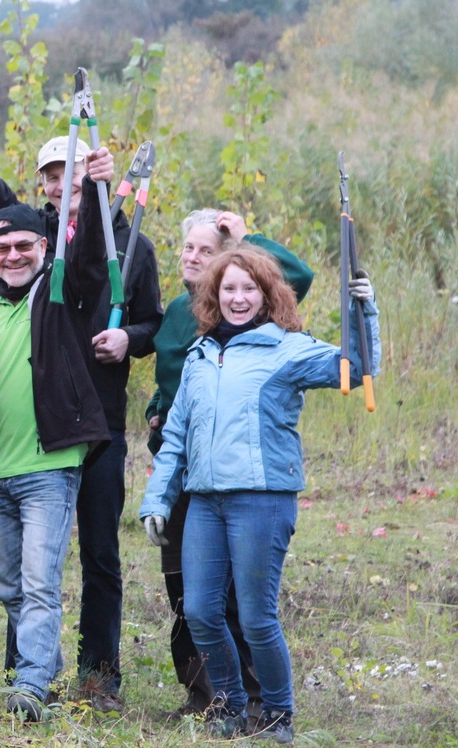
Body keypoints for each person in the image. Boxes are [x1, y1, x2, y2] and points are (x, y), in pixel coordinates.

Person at [0, 38, 162, 705]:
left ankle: (96, 676)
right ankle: (25, 676)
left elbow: (146, 315)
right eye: (52, 174)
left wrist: (130, 337)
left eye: (75, 170)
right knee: (25, 570)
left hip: (95, 419)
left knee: (95, 555)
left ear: (90, 172)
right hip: (25, 428)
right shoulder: (31, 238)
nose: (61, 182)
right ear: (40, 187)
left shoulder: (118, 246)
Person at [140, 246, 379, 744]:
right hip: (205, 501)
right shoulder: (201, 355)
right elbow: (177, 435)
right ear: (214, 294)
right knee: (201, 611)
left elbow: (353, 370)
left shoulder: (288, 349)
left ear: (268, 295)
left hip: (262, 499)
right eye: (229, 288)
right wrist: (157, 499)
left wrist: (364, 313)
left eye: (249, 288)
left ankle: (276, 716)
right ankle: (227, 708)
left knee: (255, 616)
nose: (239, 298)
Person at [145, 209, 315, 719]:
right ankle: (209, 696)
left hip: (251, 478)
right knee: (190, 596)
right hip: (188, 473)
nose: (194, 257)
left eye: (207, 249)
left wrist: (244, 238)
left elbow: (299, 278)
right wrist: (158, 410)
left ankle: (265, 701)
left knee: (247, 604)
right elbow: (174, 386)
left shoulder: (263, 327)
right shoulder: (183, 316)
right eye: (188, 248)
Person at [0, 191, 113, 722]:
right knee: (9, 586)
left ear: (44, 248)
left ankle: (30, 687)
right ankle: (45, 667)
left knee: (39, 581)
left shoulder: (58, 293)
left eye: (23, 245)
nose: (12, 255)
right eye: (1, 247)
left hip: (50, 467)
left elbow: (93, 257)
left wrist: (95, 191)